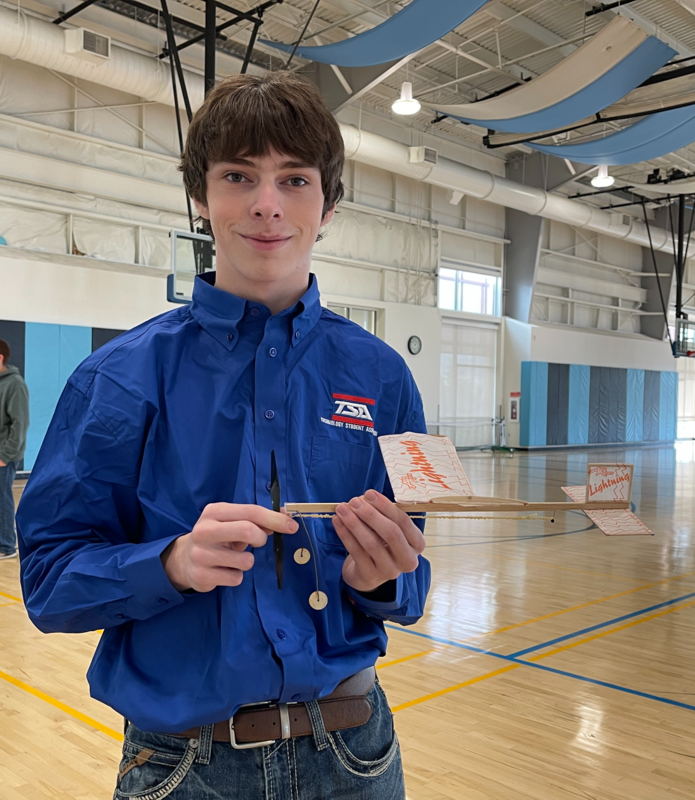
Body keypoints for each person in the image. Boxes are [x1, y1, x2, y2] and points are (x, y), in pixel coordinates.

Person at [17, 71, 431, 800]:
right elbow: (49, 583)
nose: (267, 204)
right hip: (186, 769)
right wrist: (169, 562)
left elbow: (412, 571)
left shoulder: (382, 376)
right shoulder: (115, 379)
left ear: (327, 205)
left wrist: (385, 577)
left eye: (294, 180)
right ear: (202, 198)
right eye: (239, 175)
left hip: (356, 755)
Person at [0, 338, 29, 560]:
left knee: (2, 500)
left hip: (3, 457)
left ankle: (6, 546)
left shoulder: (15, 384)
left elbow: (20, 424)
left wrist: (5, 456)